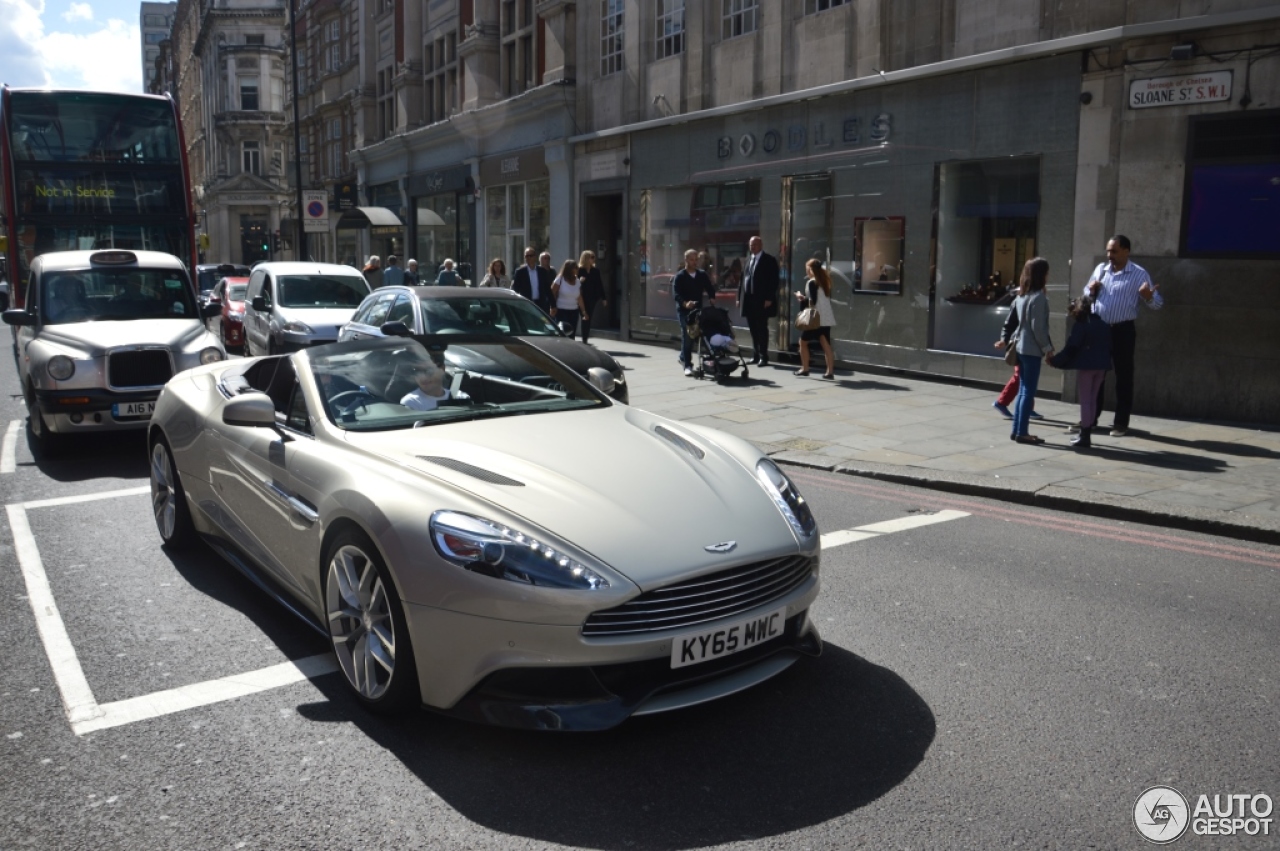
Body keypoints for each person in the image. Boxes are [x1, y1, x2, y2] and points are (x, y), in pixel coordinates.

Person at [1077, 234, 1162, 437]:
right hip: (1100, 330)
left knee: (1124, 376)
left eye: (1114, 251)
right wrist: (1090, 290)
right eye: (1108, 251)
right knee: (1096, 375)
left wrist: (1149, 297)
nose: (1109, 255)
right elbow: (1086, 293)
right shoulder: (1101, 269)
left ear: (1126, 251)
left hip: (1123, 330)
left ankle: (1120, 423)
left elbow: (1158, 303)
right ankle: (1090, 419)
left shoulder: (1139, 274)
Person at [1048, 296, 1111, 450]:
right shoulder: (1103, 324)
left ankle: (1085, 435)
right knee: (1093, 399)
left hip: (1087, 367)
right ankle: (1086, 433)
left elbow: (1072, 347)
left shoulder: (1081, 325)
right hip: (1102, 366)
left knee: (1086, 401)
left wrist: (1055, 361)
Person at [1009, 257, 1055, 444]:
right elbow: (1039, 328)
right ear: (1041, 275)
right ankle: (1022, 432)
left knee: (1022, 391)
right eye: (1046, 272)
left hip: (1020, 347)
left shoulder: (1022, 296)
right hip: (1031, 349)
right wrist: (1048, 349)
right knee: (1028, 391)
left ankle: (1017, 430)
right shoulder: (1039, 298)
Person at [993, 276, 1045, 422]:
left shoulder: (1033, 300)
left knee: (1026, 378)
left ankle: (1026, 407)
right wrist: (1004, 339)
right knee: (1021, 377)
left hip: (1026, 344)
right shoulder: (1022, 301)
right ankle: (1003, 402)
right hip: (1021, 344)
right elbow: (1010, 323)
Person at [736, 236, 779, 366]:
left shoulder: (769, 260)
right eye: (750, 245)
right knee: (753, 329)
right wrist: (739, 298)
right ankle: (755, 354)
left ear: (761, 245)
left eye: (755, 245)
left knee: (761, 328)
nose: (752, 247)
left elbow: (774, 281)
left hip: (761, 300)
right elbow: (742, 280)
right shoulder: (748, 260)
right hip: (748, 299)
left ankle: (763, 356)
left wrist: (769, 298)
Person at [673, 248, 716, 376]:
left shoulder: (701, 274)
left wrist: (712, 297)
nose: (694, 262)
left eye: (696, 259)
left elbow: (709, 287)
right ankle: (687, 365)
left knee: (697, 336)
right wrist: (685, 303)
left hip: (698, 310)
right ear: (686, 260)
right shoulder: (680, 276)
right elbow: (676, 294)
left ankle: (682, 357)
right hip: (684, 311)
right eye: (692, 259)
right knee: (687, 336)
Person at [793, 259, 837, 379]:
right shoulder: (824, 281)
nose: (806, 272)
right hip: (826, 318)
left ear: (811, 270)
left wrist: (801, 297)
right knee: (826, 344)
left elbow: (813, 301)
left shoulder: (812, 282)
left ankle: (805, 368)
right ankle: (830, 372)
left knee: (802, 342)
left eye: (807, 269)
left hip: (815, 318)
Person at [550, 259, 586, 340]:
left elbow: (579, 297)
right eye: (575, 267)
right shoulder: (560, 279)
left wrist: (584, 312)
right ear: (569, 269)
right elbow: (552, 293)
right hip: (561, 311)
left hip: (574, 311)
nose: (577, 269)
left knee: (571, 335)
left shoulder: (577, 281)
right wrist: (552, 307)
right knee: (563, 334)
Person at [578, 250, 606, 344]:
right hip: (581, 298)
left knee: (588, 317)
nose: (594, 259)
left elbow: (599, 284)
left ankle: (585, 338)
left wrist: (604, 298)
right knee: (584, 316)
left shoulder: (595, 271)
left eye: (594, 257)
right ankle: (584, 338)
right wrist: (580, 281)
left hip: (592, 298)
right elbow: (573, 283)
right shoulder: (579, 270)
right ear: (586, 258)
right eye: (592, 257)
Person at [512, 247, 553, 311]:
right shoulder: (520, 272)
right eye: (526, 256)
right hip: (526, 304)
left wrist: (553, 305)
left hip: (540, 304)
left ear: (535, 257)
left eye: (530, 256)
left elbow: (547, 288)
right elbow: (515, 289)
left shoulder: (542, 271)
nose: (528, 258)